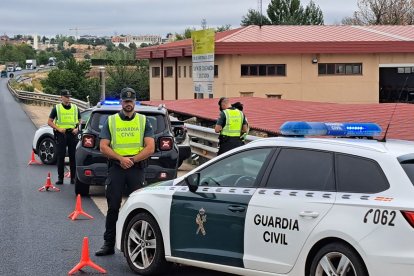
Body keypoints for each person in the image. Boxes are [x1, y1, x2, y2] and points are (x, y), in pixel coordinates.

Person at [95, 87, 155, 256]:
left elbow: (150, 147)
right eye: (125, 101)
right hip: (117, 168)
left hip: (136, 168)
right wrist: (121, 159)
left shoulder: (144, 121)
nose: (128, 104)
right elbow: (103, 147)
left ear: (135, 102)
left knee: (140, 208)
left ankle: (138, 244)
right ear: (121, 102)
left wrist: (132, 160)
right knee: (113, 207)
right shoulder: (111, 121)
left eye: (131, 101)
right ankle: (108, 244)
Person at [47, 89, 81, 185]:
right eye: (66, 97)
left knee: (73, 157)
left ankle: (73, 178)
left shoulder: (75, 108)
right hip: (61, 134)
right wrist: (58, 128)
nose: (68, 98)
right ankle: (60, 178)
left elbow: (80, 120)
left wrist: (77, 129)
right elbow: (49, 122)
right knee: (61, 156)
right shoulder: (56, 108)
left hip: (72, 134)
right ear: (61, 97)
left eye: (69, 97)